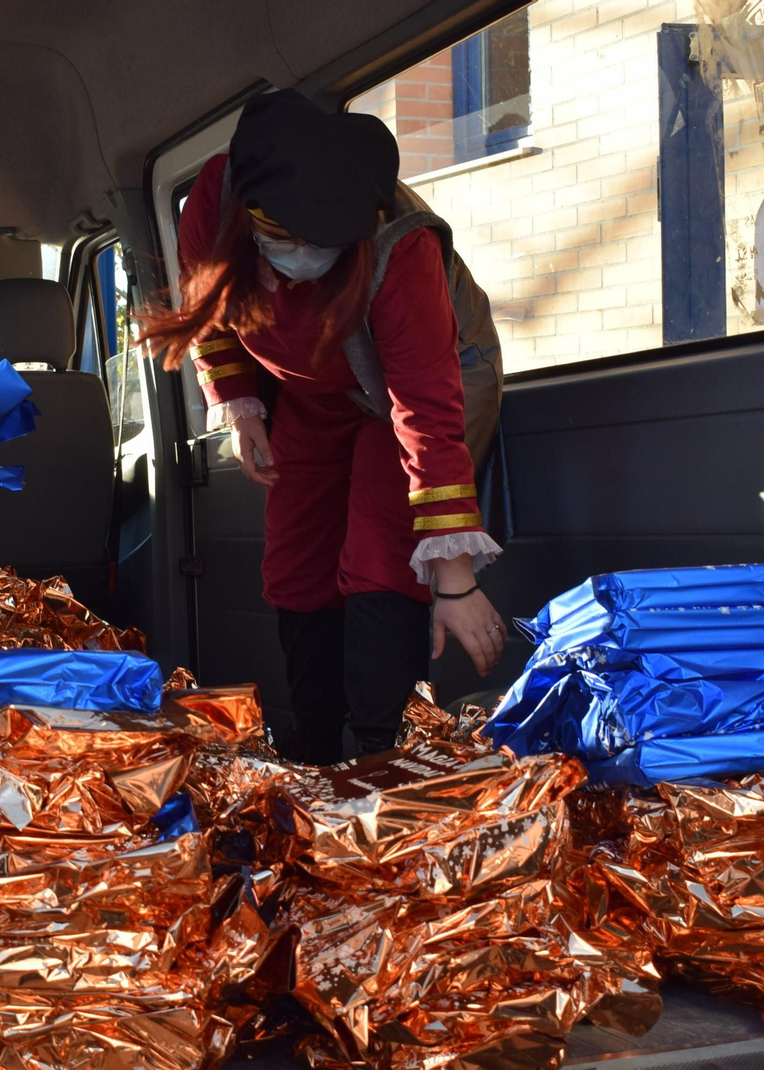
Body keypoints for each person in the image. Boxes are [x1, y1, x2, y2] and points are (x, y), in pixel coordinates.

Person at [141, 89, 507, 763]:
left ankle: (377, 757)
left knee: (377, 551)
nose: (303, 257)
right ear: (250, 212)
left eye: (323, 244)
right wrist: (240, 403)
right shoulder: (215, 205)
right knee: (296, 565)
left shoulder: (403, 252)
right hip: (310, 390)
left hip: (426, 377)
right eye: (285, 240)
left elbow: (424, 407)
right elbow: (210, 316)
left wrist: (455, 580)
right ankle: (312, 750)